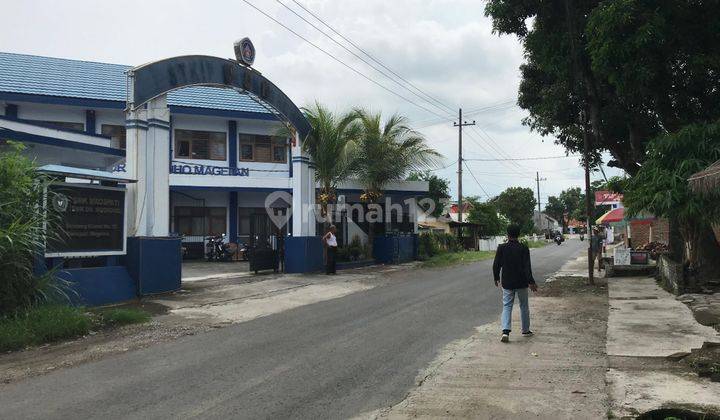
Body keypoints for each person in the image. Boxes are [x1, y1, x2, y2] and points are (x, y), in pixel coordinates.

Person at [492, 224, 538, 343]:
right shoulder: (523, 248)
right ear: (519, 234)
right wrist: (531, 281)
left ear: (507, 234)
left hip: (507, 282)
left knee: (507, 306)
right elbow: (527, 267)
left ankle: (505, 332)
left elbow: (496, 264)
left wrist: (496, 277)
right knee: (523, 306)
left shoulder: (502, 248)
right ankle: (526, 330)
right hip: (521, 282)